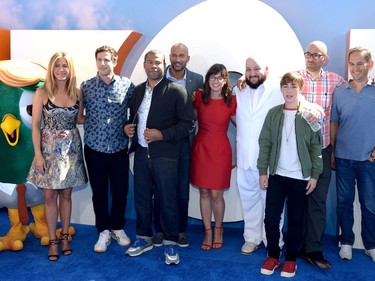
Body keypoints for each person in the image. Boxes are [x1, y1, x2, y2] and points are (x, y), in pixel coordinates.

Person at [124, 49, 195, 265]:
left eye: (157, 62)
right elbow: (131, 118)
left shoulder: (176, 91)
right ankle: (143, 238)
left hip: (166, 155)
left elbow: (188, 124)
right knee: (142, 198)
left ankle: (170, 242)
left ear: (163, 65)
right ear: (144, 65)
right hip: (142, 153)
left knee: (168, 199)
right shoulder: (136, 92)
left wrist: (161, 135)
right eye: (149, 62)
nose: (153, 66)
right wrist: (127, 128)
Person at [258, 72, 323, 278]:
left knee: (295, 221)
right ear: (281, 89)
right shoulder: (273, 113)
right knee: (270, 219)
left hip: (300, 178)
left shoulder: (309, 115)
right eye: (285, 86)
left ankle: (291, 259)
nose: (289, 90)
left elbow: (316, 147)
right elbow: (265, 143)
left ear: (300, 89)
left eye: (293, 86)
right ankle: (273, 255)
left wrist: (314, 175)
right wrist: (262, 171)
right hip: (277, 175)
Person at [27, 51, 87, 261]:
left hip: (71, 150)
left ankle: (64, 237)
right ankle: (52, 240)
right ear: (51, 69)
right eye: (57, 66)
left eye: (65, 66)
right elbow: (35, 126)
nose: (61, 70)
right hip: (49, 150)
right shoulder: (42, 92)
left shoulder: (78, 93)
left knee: (67, 196)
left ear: (70, 69)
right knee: (49, 196)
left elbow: (80, 119)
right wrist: (38, 155)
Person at [80, 45, 135, 253]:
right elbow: (78, 114)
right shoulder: (86, 87)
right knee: (99, 193)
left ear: (115, 61)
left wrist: (129, 125)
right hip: (94, 149)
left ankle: (118, 227)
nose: (103, 63)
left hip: (119, 148)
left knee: (121, 191)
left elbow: (136, 112)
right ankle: (103, 230)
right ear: (96, 62)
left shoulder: (127, 85)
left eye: (107, 60)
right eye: (99, 59)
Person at [297, 41, 345, 269]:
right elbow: (272, 90)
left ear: (325, 58)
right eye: (308, 54)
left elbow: (354, 91)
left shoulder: (336, 80)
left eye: (316, 55)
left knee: (317, 201)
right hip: (296, 150)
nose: (311, 58)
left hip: (323, 150)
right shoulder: (294, 77)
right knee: (297, 199)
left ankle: (313, 248)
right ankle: (297, 245)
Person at [232, 56, 285, 255]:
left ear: (267, 69)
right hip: (245, 158)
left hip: (269, 161)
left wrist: (314, 110)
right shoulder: (239, 90)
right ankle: (252, 238)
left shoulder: (279, 89)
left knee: (272, 205)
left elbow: (300, 103)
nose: (252, 73)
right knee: (249, 202)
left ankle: (273, 240)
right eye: (248, 69)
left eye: (256, 68)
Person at [153, 43, 203, 247]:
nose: (177, 59)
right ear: (169, 57)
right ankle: (160, 230)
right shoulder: (157, 78)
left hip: (185, 142)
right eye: (173, 55)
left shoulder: (197, 80)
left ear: (188, 58)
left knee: (181, 188)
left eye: (181, 55)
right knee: (161, 189)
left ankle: (180, 230)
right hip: (162, 141)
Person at [330, 46, 375, 263]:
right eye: (352, 64)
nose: (355, 68)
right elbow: (334, 123)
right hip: (343, 158)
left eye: (360, 63)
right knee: (343, 203)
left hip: (369, 159)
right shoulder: (339, 92)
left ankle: (371, 245)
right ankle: (346, 242)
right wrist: (332, 150)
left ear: (370, 65)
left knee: (369, 205)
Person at [190, 64, 236, 251]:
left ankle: (219, 229)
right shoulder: (199, 97)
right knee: (204, 192)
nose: (216, 81)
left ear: (226, 81)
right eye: (212, 77)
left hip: (221, 150)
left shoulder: (231, 101)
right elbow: (190, 121)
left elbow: (243, 126)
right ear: (207, 80)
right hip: (201, 148)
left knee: (217, 194)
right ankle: (207, 231)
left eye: (220, 77)